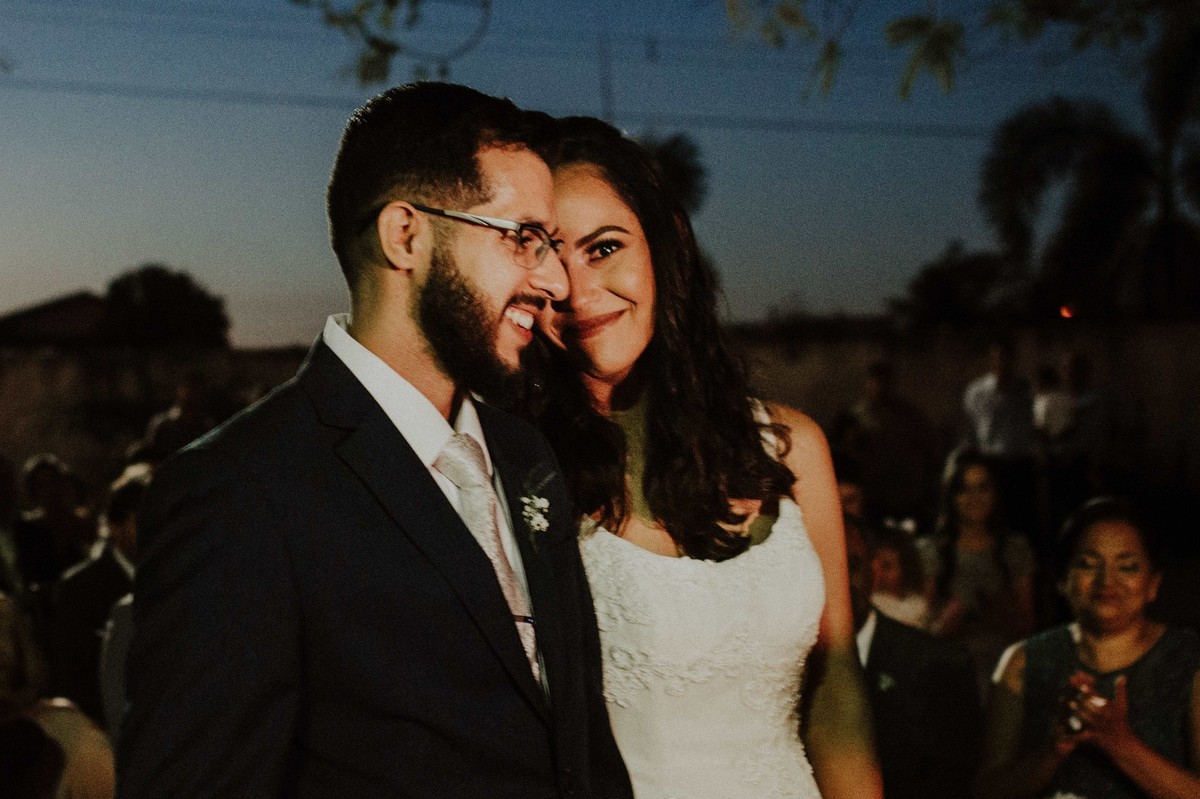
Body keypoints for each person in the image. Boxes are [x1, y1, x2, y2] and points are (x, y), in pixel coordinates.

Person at [116, 83, 632, 799]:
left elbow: (580, 746)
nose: (553, 279)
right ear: (406, 235)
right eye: (524, 238)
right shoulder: (241, 490)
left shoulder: (523, 455)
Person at [527, 116, 880, 798]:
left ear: (667, 244)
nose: (578, 289)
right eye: (549, 257)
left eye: (603, 248)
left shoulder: (793, 447)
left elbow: (835, 677)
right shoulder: (522, 473)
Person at [978, 497, 1200, 798]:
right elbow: (987, 792)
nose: (1106, 581)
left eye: (1128, 567)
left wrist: (1120, 744)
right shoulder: (1023, 661)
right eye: (1088, 564)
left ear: (1153, 584)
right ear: (1062, 580)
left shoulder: (1189, 659)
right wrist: (1055, 749)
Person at [845, 519, 981, 799]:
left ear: (873, 569)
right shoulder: (780, 665)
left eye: (850, 566)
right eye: (822, 568)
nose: (839, 583)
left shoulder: (940, 665)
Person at [918, 449, 1037, 695]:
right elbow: (922, 627)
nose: (974, 498)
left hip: (1004, 669)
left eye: (983, 488)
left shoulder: (1014, 550)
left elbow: (1028, 625)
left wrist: (998, 611)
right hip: (949, 670)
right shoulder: (932, 552)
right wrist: (946, 623)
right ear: (951, 495)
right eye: (964, 489)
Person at [47, 465, 148, 724]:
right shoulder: (80, 587)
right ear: (115, 527)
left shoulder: (170, 572)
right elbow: (74, 674)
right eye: (142, 522)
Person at [961, 337, 1040, 547]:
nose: (1001, 363)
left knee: (1021, 520)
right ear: (991, 360)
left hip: (1019, 463)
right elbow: (971, 428)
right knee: (993, 518)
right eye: (996, 358)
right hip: (992, 463)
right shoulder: (977, 392)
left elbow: (1031, 424)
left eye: (1006, 358)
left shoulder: (1024, 390)